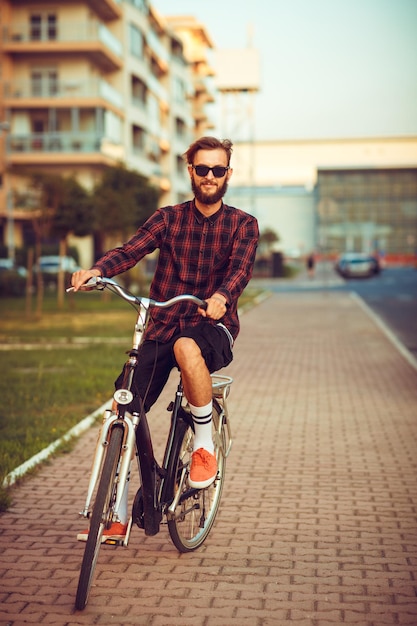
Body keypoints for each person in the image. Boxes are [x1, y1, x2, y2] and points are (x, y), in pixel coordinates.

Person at [72, 136, 259, 541]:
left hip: (212, 324)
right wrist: (99, 271)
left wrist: (223, 296)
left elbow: (240, 271)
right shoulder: (168, 218)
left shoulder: (243, 224)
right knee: (124, 406)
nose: (210, 176)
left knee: (186, 346)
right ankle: (116, 509)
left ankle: (204, 446)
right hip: (162, 321)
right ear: (190, 171)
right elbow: (131, 250)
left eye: (218, 170)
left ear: (228, 174)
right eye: (203, 169)